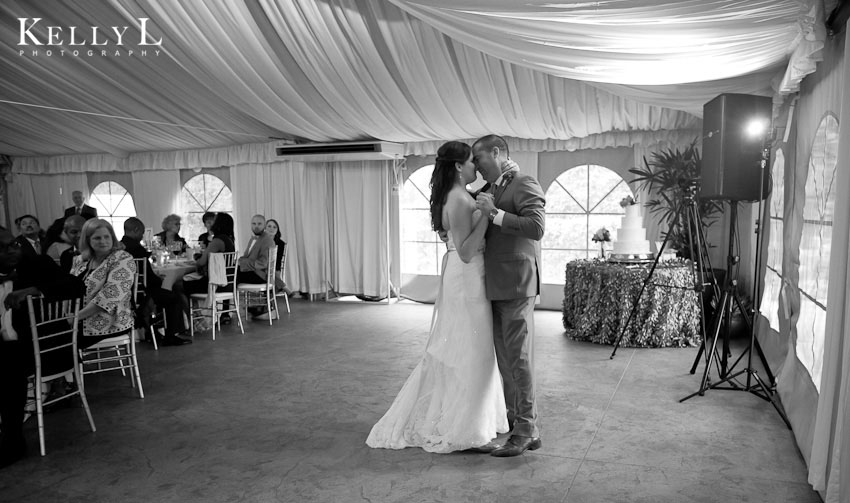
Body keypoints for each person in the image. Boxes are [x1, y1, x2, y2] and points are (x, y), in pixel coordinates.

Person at [367, 141, 507, 453]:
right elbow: (468, 251)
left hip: (470, 277)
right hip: (467, 277)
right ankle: (465, 429)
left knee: (474, 349)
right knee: (470, 350)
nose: (476, 167)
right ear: (458, 166)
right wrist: (487, 213)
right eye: (472, 161)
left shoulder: (459, 194)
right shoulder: (457, 199)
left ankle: (471, 420)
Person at [472, 134, 545, 457]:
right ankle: (523, 428)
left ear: (497, 152)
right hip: (496, 285)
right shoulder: (491, 189)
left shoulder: (525, 183)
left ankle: (526, 429)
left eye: (479, 158)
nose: (476, 165)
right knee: (506, 360)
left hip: (516, 284)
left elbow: (536, 227)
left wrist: (495, 215)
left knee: (518, 359)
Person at [0, 226, 85, 469]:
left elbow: (77, 287)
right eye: (3, 248)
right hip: (8, 347)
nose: (12, 251)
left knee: (7, 363)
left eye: (14, 244)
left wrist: (34, 290)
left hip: (43, 349)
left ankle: (13, 441)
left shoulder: (36, 263)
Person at [121, 218, 191, 346]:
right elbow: (149, 278)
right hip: (143, 293)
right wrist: (161, 281)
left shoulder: (122, 247)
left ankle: (151, 331)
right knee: (174, 297)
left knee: (170, 291)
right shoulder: (137, 249)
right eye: (142, 233)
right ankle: (171, 335)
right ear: (136, 230)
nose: (142, 236)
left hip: (128, 291)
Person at [69, 219, 137, 349]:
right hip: (78, 319)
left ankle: (69, 368)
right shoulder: (82, 260)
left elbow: (110, 296)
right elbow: (69, 287)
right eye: (97, 238)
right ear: (88, 240)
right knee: (41, 333)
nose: (103, 241)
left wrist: (75, 318)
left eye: (107, 236)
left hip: (109, 322)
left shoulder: (122, 258)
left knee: (54, 339)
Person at [182, 213, 236, 324]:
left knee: (180, 285)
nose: (212, 223)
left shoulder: (217, 241)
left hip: (216, 284)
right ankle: (196, 319)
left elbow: (201, 262)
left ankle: (193, 321)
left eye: (214, 221)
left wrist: (196, 257)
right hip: (228, 283)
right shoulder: (229, 240)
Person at [236, 214, 273, 286]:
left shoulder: (267, 240)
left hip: (260, 275)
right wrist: (239, 261)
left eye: (259, 224)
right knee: (231, 270)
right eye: (254, 224)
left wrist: (243, 263)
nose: (256, 226)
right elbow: (246, 256)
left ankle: (227, 295)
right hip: (251, 271)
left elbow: (263, 263)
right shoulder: (252, 239)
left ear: (265, 225)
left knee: (231, 273)